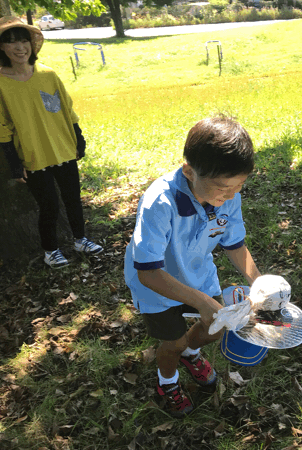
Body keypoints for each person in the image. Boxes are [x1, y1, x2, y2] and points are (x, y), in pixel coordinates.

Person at [124, 116, 262, 417]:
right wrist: (201, 302)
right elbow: (148, 271)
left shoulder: (228, 196)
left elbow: (234, 243)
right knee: (171, 342)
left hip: (197, 273)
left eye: (239, 186)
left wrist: (259, 280)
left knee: (212, 330)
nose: (231, 196)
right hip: (156, 288)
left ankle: (190, 352)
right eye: (223, 188)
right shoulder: (159, 202)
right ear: (189, 170)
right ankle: (168, 381)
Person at [0, 17, 103, 268]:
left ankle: (80, 239)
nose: (19, 47)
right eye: (11, 42)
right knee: (48, 205)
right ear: (2, 48)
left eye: (24, 40)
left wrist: (78, 138)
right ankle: (51, 250)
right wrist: (14, 162)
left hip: (64, 149)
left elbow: (67, 110)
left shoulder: (48, 74)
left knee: (73, 198)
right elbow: (2, 127)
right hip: (33, 155)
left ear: (31, 45)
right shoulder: (1, 82)